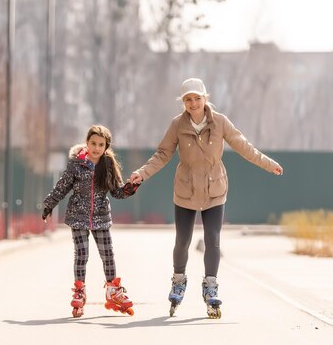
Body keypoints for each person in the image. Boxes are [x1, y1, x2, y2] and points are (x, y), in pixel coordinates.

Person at [129, 78, 284, 319]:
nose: (193, 103)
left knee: (213, 239)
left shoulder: (220, 122)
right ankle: (178, 280)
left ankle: (210, 285)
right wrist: (141, 173)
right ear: (183, 102)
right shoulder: (177, 125)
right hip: (186, 190)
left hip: (214, 190)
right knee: (183, 240)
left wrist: (269, 164)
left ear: (205, 98)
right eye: (188, 100)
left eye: (197, 98)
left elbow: (244, 146)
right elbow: (162, 154)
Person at [42, 124, 139, 318]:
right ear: (86, 143)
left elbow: (116, 192)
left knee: (107, 253)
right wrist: (49, 204)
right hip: (78, 216)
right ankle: (80, 290)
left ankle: (113, 290)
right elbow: (62, 187)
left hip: (101, 217)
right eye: (93, 143)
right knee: (82, 254)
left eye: (101, 144)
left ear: (106, 147)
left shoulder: (108, 165)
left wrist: (130, 187)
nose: (96, 148)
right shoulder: (76, 165)